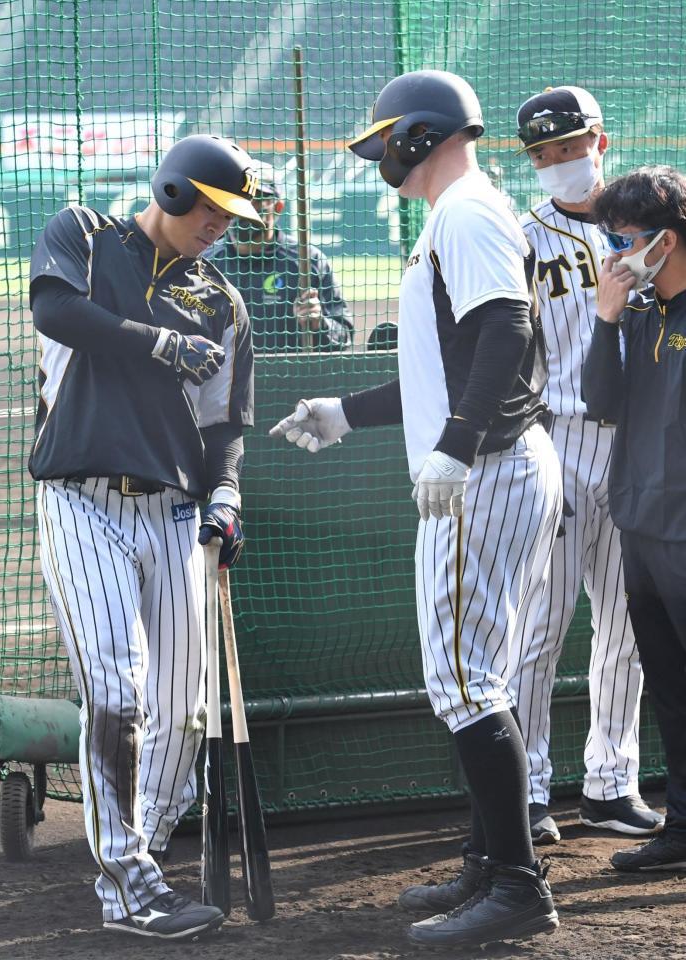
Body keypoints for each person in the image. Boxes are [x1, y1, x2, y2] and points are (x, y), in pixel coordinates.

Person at [270, 70, 562, 948]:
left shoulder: (465, 209)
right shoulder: (465, 209)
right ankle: (489, 860)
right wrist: (344, 412)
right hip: (504, 469)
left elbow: (507, 330)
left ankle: (515, 885)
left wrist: (457, 445)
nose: (375, 157)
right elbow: (449, 359)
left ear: (419, 133)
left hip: (488, 474)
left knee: (464, 683)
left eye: (384, 139)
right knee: (485, 679)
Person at [27, 134, 259, 940]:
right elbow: (56, 310)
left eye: (230, 215)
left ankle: (145, 852)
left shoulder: (222, 302)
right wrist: (157, 342)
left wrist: (225, 494)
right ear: (168, 189)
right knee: (118, 694)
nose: (217, 225)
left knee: (183, 712)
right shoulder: (84, 234)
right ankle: (125, 884)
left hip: (171, 511)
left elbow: (225, 425)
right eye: (207, 207)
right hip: (81, 500)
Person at [509, 86, 663, 846]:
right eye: (542, 154)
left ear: (599, 140)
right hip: (559, 439)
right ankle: (527, 788)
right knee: (538, 626)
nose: (557, 164)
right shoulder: (521, 237)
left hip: (634, 446)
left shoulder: (644, 227)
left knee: (627, 626)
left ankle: (609, 785)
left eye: (568, 147)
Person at [582, 164, 686, 872]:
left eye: (625, 240)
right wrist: (605, 315)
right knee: (671, 689)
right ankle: (681, 826)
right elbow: (602, 403)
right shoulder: (641, 309)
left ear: (666, 240)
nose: (615, 254)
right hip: (640, 525)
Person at [208, 160, 353, 352]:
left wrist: (320, 324)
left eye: (256, 199)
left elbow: (345, 335)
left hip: (294, 379)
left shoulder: (307, 261)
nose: (245, 209)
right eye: (238, 199)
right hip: (228, 381)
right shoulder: (205, 264)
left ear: (278, 208)